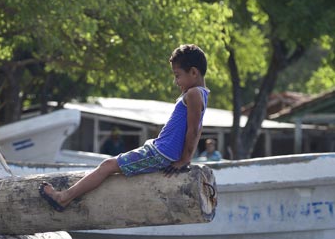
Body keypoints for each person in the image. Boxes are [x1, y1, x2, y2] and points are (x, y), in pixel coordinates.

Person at [39, 44, 209, 211]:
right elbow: (197, 128)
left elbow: (194, 130)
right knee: (111, 166)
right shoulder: (201, 94)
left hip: (161, 153)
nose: (175, 81)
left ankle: (63, 198)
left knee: (107, 166)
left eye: (177, 75)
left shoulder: (193, 94)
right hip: (161, 150)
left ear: (193, 72)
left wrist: (185, 160)